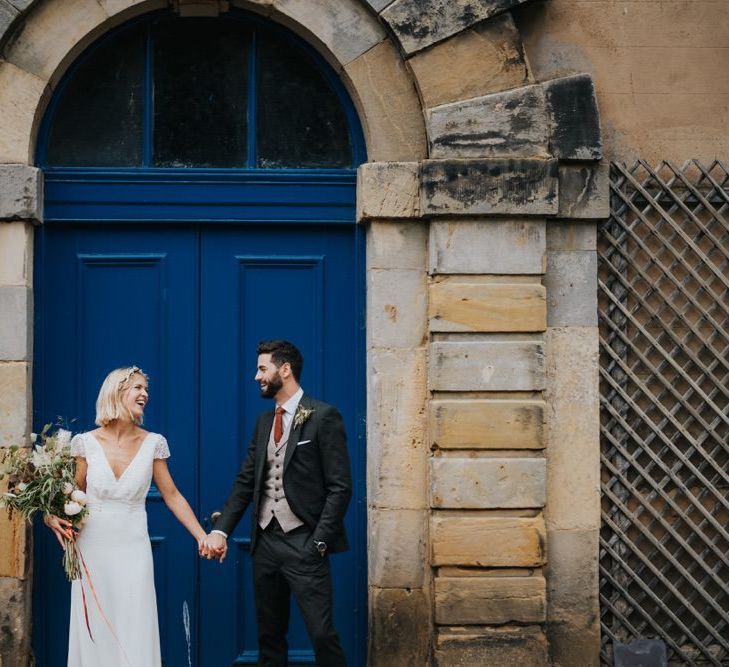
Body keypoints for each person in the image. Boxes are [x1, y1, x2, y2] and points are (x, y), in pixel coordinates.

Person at [200, 340, 352, 666]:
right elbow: (246, 481)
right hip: (265, 543)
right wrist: (221, 531)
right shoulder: (263, 423)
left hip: (305, 543)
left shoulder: (324, 417)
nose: (257, 376)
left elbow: (340, 487)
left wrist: (319, 542)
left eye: (262, 368)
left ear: (285, 370)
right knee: (269, 637)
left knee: (323, 635)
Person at [44, 366, 207, 667]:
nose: (145, 394)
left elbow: (172, 495)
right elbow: (70, 496)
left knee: (135, 619)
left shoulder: (153, 443)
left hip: (133, 545)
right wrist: (50, 516)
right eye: (138, 388)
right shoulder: (85, 443)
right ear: (116, 392)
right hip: (92, 545)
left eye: (146, 389)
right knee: (95, 622)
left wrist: (202, 536)